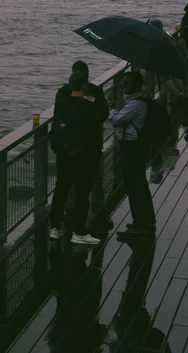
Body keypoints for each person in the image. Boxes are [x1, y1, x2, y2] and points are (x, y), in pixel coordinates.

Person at [49, 60, 106, 246]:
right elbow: (93, 135)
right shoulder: (87, 107)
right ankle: (79, 232)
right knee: (82, 193)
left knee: (61, 190)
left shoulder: (61, 101)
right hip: (83, 157)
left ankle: (55, 228)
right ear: (85, 86)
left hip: (63, 155)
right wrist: (96, 154)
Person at [108, 72, 156, 242]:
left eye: (127, 83)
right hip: (136, 147)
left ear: (137, 84)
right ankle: (148, 221)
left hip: (132, 148)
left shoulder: (136, 104)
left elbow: (116, 121)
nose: (124, 86)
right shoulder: (138, 101)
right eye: (123, 83)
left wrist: (112, 104)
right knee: (140, 184)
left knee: (134, 186)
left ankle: (140, 225)